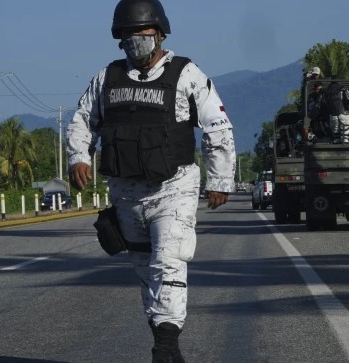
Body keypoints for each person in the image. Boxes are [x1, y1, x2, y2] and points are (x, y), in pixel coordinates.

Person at [66, 1, 235, 361]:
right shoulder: (107, 78)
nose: (134, 42)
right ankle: (169, 348)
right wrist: (78, 157)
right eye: (127, 36)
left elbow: (217, 128)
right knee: (146, 274)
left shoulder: (186, 74)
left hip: (173, 188)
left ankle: (164, 348)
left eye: (141, 35)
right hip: (126, 193)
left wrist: (220, 179)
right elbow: (83, 120)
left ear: (159, 34)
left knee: (168, 263)